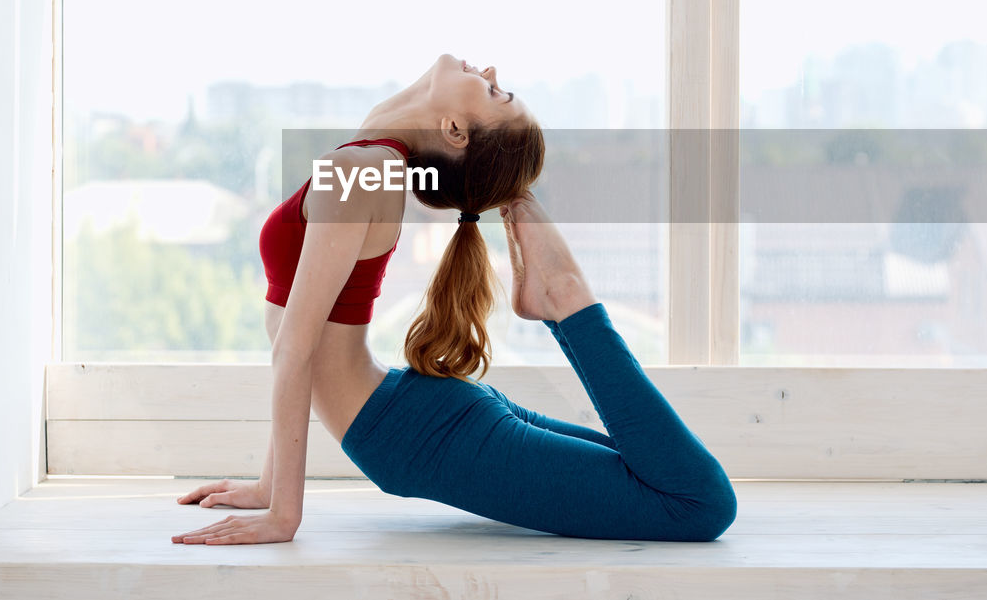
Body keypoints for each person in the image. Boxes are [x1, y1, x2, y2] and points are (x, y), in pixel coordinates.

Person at [171, 53, 737, 544]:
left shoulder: (363, 169)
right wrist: (270, 489)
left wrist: (283, 513)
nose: (489, 71)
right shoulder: (371, 161)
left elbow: (294, 350)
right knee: (670, 483)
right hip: (417, 420)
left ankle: (565, 293)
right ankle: (559, 294)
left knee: (697, 501)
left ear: (456, 131)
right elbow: (302, 344)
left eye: (494, 92)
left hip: (417, 433)